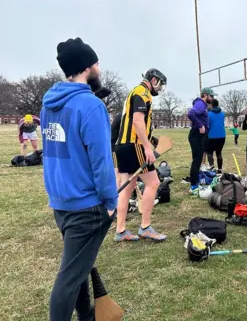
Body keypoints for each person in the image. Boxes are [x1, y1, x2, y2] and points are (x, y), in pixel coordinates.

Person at [41, 37, 117, 321]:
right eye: (96, 62)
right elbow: (101, 161)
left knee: (80, 264)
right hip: (86, 206)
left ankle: (86, 315)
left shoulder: (48, 104)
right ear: (87, 67)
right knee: (70, 276)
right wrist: (110, 201)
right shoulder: (91, 106)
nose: (99, 67)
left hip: (61, 204)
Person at [114, 68, 168, 242]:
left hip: (122, 146)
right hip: (134, 146)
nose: (159, 89)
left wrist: (152, 140)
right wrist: (147, 147)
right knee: (153, 182)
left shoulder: (135, 92)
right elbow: (137, 121)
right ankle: (145, 227)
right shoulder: (142, 93)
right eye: (160, 84)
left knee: (127, 187)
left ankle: (120, 230)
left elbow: (138, 124)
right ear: (154, 80)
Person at [187, 87, 215, 194]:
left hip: (199, 136)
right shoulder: (200, 103)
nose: (212, 98)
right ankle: (193, 186)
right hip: (197, 135)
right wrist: (200, 125)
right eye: (211, 96)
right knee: (197, 160)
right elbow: (190, 114)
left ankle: (196, 181)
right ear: (205, 95)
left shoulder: (203, 105)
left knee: (197, 160)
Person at [206, 98, 226, 172]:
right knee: (219, 153)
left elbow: (207, 125)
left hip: (212, 136)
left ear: (211, 105)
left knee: (209, 152)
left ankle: (212, 167)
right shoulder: (223, 113)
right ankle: (220, 169)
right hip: (222, 136)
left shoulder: (209, 114)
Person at [111, 112, 122, 189]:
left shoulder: (121, 115)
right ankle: (118, 197)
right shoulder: (123, 117)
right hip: (114, 148)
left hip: (118, 148)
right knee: (117, 174)